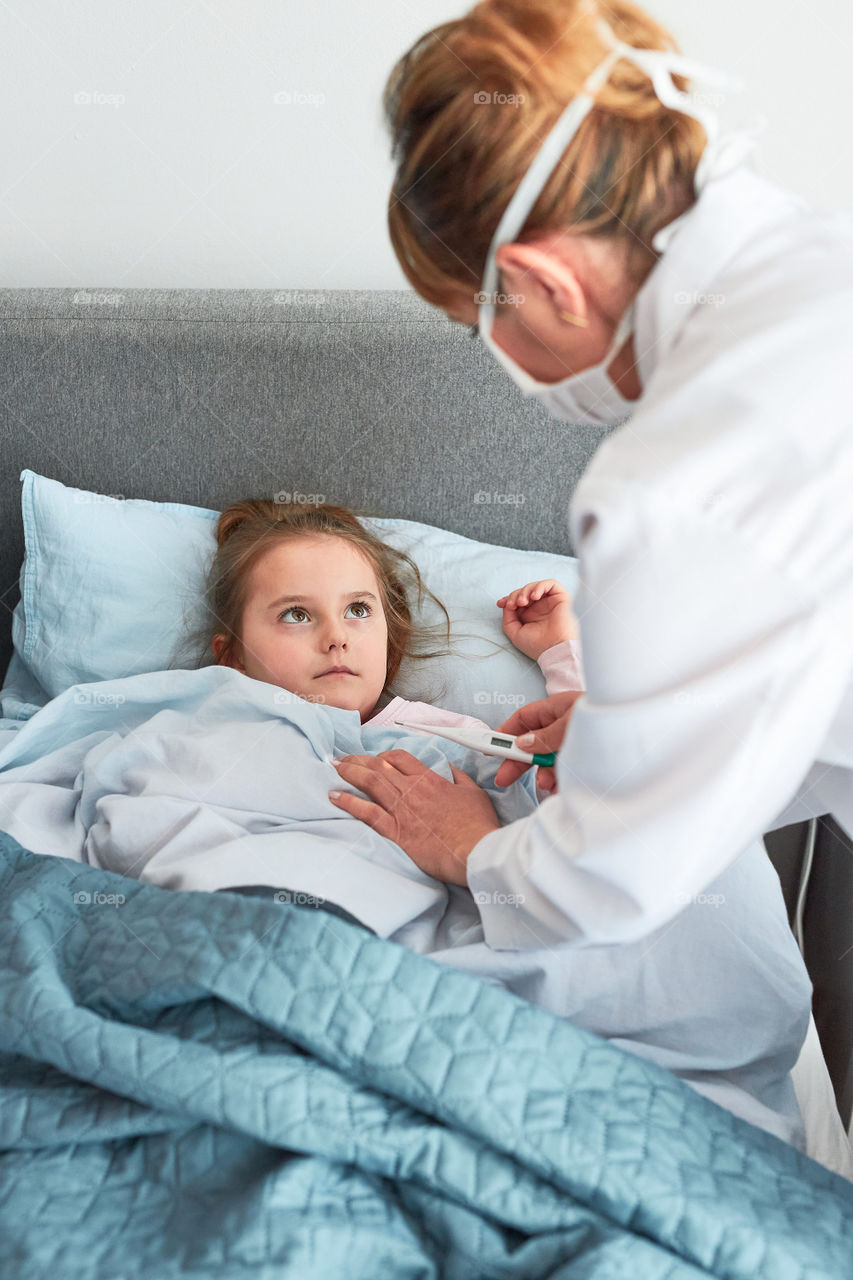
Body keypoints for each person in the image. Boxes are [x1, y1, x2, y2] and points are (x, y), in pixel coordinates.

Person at [327, 0, 853, 958]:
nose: (497, 358)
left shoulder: (678, 480)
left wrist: (476, 851)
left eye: (476, 324)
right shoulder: (824, 269)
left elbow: (609, 882)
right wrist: (637, 730)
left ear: (547, 284)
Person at [206, 497, 584, 748]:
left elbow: (576, 791)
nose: (337, 638)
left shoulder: (452, 739)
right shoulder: (207, 732)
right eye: (297, 615)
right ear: (233, 657)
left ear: (390, 638)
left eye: (357, 610)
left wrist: (560, 650)